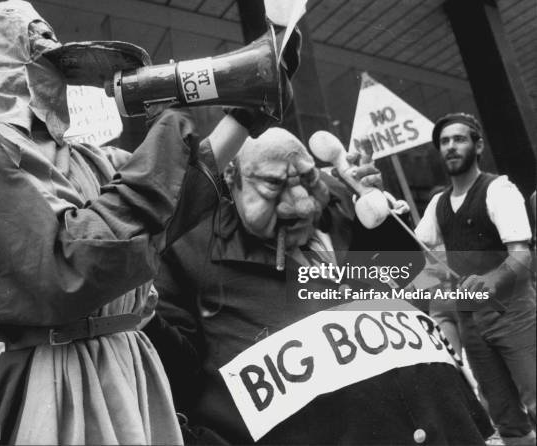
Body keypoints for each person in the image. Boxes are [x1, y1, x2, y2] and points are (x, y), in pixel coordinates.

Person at [0, 0, 278, 445]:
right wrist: (169, 129)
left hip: (128, 361)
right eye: (33, 36)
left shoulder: (86, 155)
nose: (52, 45)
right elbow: (70, 267)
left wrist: (246, 114)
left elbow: (166, 207)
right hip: (59, 375)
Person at [143, 127, 493, 444]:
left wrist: (383, 220)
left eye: (307, 179)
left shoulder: (343, 203)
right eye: (273, 184)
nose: (300, 203)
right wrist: (137, 305)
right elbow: (174, 379)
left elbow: (414, 285)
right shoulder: (186, 251)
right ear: (232, 178)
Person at [414, 113, 536, 446]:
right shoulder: (438, 203)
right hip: (471, 323)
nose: (451, 147)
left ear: (477, 145)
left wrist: (493, 279)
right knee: (504, 415)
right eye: (444, 142)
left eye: (459, 139)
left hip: (514, 316)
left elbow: (522, 254)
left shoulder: (499, 188)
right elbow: (416, 251)